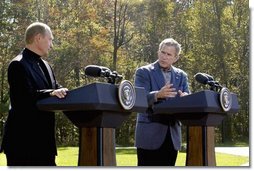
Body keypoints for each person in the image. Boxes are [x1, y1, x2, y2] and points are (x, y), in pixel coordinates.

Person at [0, 22, 68, 166]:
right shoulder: (17, 64)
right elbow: (23, 98)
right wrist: (51, 93)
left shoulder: (47, 66)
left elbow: (56, 88)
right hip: (23, 144)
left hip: (45, 145)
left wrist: (71, 93)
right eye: (50, 39)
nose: (52, 44)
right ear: (38, 38)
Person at [134, 38, 190, 166]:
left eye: (168, 54)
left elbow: (188, 97)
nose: (164, 57)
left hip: (172, 136)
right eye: (162, 52)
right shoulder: (143, 72)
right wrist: (157, 95)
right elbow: (138, 99)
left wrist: (186, 98)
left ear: (175, 58)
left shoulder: (182, 75)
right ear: (158, 52)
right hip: (149, 134)